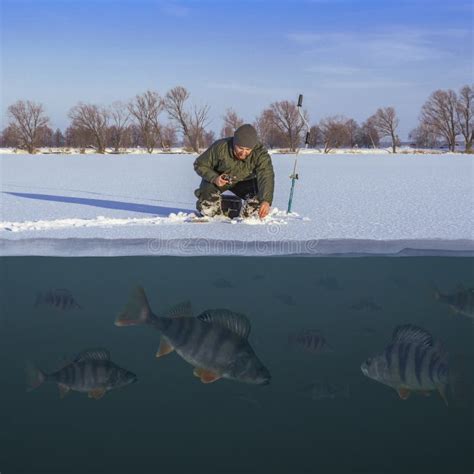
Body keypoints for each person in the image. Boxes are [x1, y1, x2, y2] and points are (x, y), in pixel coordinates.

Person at [193, 124, 274, 219]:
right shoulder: (221, 147)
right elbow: (200, 164)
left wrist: (266, 200)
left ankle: (248, 216)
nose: (243, 153)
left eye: (248, 150)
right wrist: (214, 178)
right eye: (240, 148)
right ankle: (212, 215)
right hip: (220, 181)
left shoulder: (260, 154)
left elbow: (266, 175)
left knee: (258, 199)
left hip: (245, 182)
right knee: (207, 199)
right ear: (234, 143)